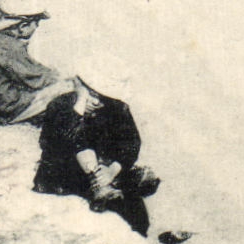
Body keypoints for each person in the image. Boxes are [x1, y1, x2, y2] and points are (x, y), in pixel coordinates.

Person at [34, 76, 160, 234]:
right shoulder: (60, 106)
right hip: (65, 172)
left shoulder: (116, 108)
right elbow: (60, 141)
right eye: (91, 95)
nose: (95, 102)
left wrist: (113, 169)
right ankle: (107, 184)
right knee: (81, 143)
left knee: (138, 217)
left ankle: (114, 184)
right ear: (80, 89)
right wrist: (79, 105)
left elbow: (131, 142)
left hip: (104, 171)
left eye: (102, 99)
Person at [0, 7, 73, 125]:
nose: (37, 27)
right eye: (36, 23)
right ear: (23, 26)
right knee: (65, 87)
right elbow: (37, 79)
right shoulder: (10, 45)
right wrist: (64, 77)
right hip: (0, 111)